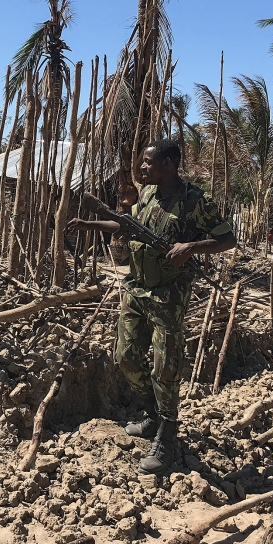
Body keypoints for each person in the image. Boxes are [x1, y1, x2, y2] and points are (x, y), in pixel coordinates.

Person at [66, 139, 236, 475]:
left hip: (169, 295)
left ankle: (167, 435)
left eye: (148, 163)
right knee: (125, 356)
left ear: (169, 164)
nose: (141, 168)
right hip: (137, 287)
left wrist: (191, 246)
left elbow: (228, 239)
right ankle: (150, 412)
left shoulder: (195, 200)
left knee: (166, 367)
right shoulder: (147, 195)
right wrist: (91, 225)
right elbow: (127, 226)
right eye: (142, 162)